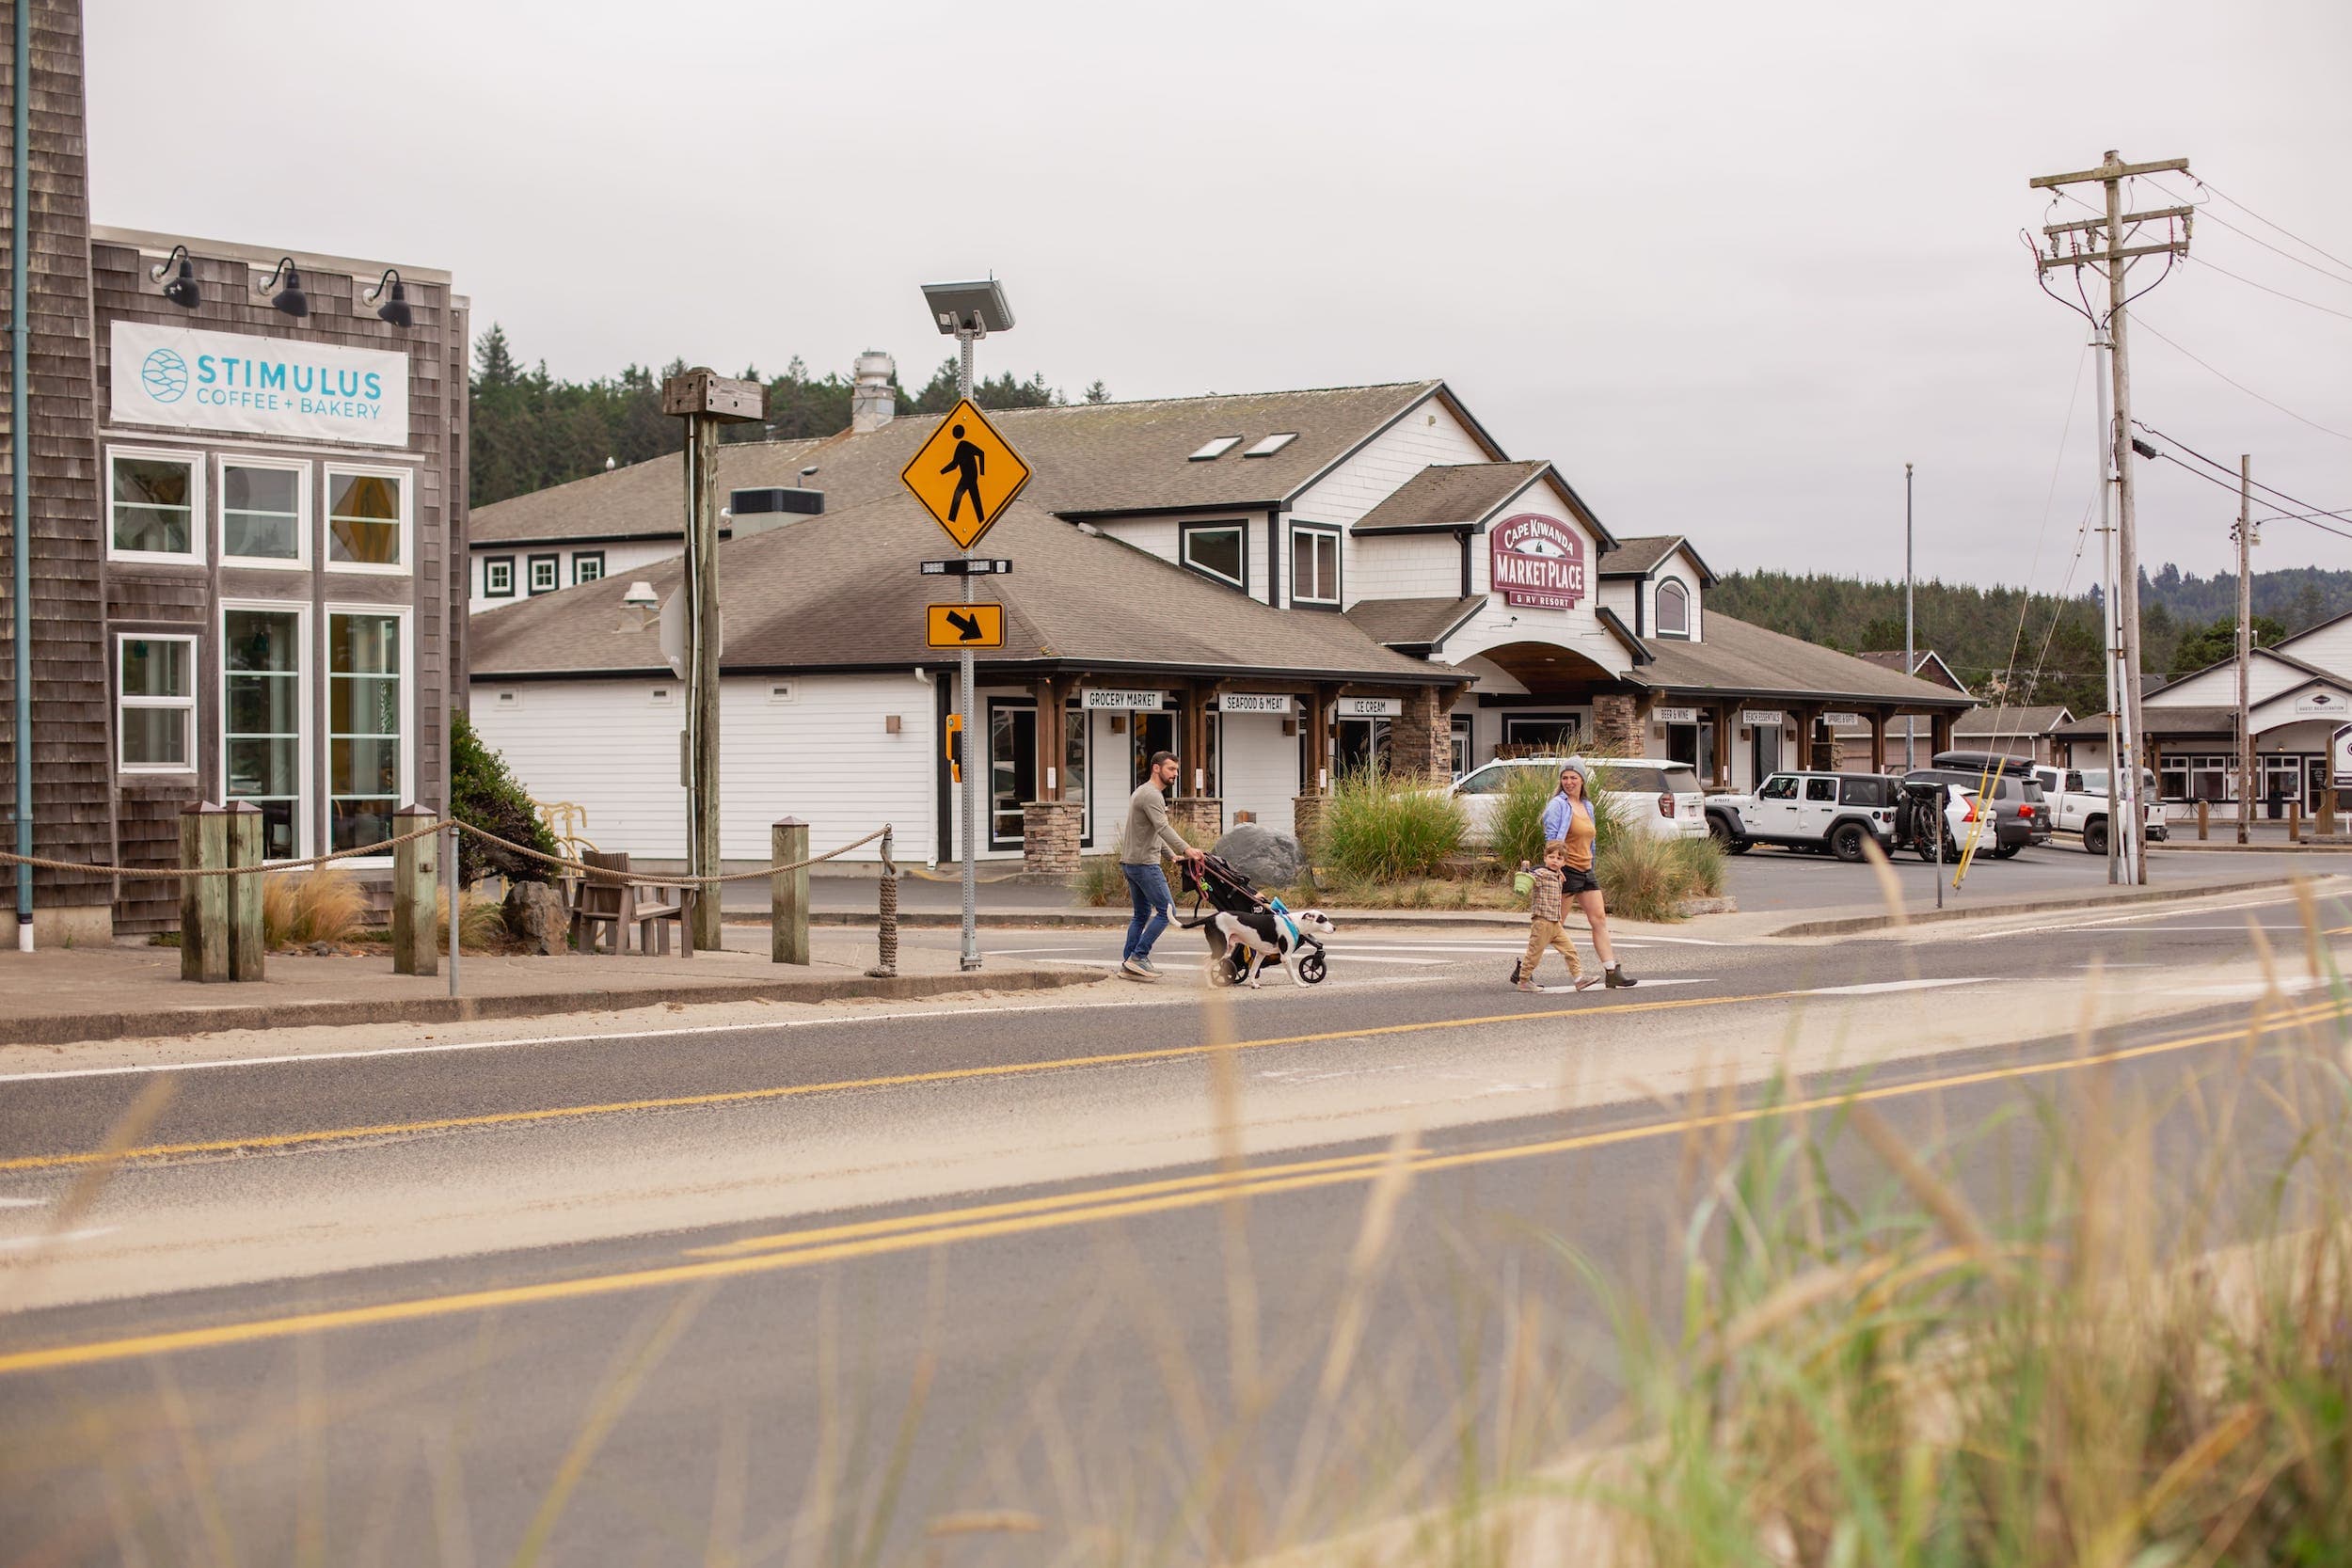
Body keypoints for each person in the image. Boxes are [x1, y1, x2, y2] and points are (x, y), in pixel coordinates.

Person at [1120, 751, 1205, 981]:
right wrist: (1187, 849)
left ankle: (1129, 963)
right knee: (1168, 912)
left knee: (1141, 915)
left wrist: (1170, 855)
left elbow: (1149, 831)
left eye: (1176, 770)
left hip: (1131, 862)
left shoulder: (1142, 791)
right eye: (1170, 769)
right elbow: (1163, 828)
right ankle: (1139, 957)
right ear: (1156, 768)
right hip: (1144, 865)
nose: (1175, 774)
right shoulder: (1152, 795)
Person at [1549, 765, 1637, 988]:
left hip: (1586, 870)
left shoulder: (1587, 806)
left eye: (1574, 778)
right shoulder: (1558, 805)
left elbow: (1590, 840)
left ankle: (1611, 970)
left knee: (1599, 920)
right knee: (1553, 925)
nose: (1569, 782)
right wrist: (1555, 869)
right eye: (1565, 778)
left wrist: (1592, 864)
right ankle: (1524, 968)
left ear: (1582, 781)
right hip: (1566, 871)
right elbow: (1551, 839)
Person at [1515, 839, 1600, 992]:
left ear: (1564, 862)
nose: (1555, 861)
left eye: (1559, 858)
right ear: (1545, 858)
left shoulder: (1558, 875)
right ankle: (1524, 980)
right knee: (1535, 953)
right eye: (1551, 857)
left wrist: (1559, 872)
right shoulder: (1541, 873)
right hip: (1542, 922)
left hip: (1555, 922)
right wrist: (1525, 869)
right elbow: (1530, 877)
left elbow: (1556, 872)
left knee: (1570, 950)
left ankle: (1578, 979)